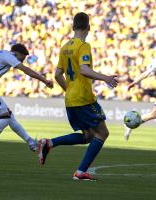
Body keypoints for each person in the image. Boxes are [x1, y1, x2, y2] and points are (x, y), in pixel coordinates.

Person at [37, 12, 118, 181]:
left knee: (88, 135)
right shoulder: (83, 45)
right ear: (89, 27)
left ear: (73, 27)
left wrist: (69, 89)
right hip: (84, 98)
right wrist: (106, 78)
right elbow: (84, 70)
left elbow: (58, 74)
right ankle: (81, 172)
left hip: (71, 99)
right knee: (102, 133)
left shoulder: (65, 47)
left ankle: (49, 143)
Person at [0, 43, 53, 164]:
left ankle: (32, 143)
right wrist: (45, 80)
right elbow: (26, 70)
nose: (22, 60)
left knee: (9, 116)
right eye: (22, 57)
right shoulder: (9, 56)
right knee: (5, 117)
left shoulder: (1, 53)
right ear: (17, 53)